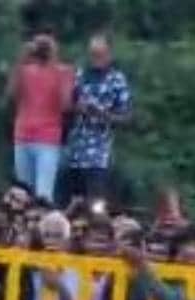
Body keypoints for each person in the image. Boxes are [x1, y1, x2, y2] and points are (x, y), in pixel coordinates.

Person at [63, 34, 132, 204]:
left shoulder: (117, 80)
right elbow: (65, 107)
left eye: (100, 54)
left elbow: (126, 117)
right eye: (93, 54)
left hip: (99, 155)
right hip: (75, 153)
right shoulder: (79, 76)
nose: (96, 59)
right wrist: (76, 108)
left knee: (96, 204)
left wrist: (101, 114)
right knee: (73, 204)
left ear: (109, 54)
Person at [8, 31, 73, 203]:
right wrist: (21, 59)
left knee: (43, 194)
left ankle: (43, 217)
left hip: (47, 138)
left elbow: (65, 104)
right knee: (22, 193)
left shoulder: (63, 72)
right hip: (23, 135)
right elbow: (12, 94)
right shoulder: (25, 71)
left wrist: (54, 64)